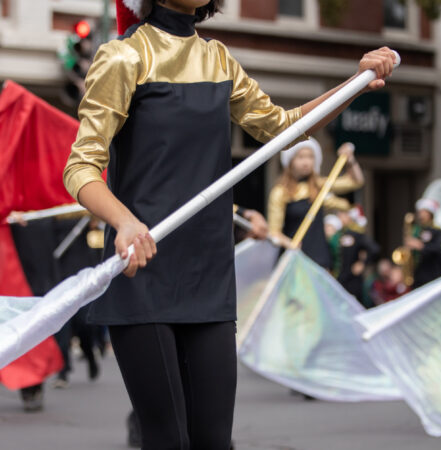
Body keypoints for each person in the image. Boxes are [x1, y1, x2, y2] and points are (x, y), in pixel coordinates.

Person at [63, 0, 396, 446]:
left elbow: (282, 128)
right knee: (167, 440)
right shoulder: (123, 56)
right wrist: (124, 222)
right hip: (143, 271)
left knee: (215, 441)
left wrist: (354, 85)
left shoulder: (218, 58)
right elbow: (80, 168)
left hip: (209, 273)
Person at [268, 139, 364, 270]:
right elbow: (274, 232)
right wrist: (289, 244)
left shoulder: (319, 187)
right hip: (295, 258)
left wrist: (350, 160)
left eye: (310, 157)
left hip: (320, 259)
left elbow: (356, 182)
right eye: (301, 157)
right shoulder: (280, 192)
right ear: (291, 161)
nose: (306, 162)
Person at [328, 208, 380, 304]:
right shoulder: (337, 235)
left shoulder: (355, 234)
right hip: (338, 279)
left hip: (352, 280)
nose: (340, 216)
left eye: (343, 214)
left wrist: (363, 263)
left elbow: (374, 249)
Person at [405, 198, 441, 288]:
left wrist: (420, 246)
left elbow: (438, 249)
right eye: (420, 212)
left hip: (431, 273)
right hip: (418, 274)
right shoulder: (417, 230)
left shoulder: (437, 231)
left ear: (430, 213)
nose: (420, 215)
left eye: (423, 212)